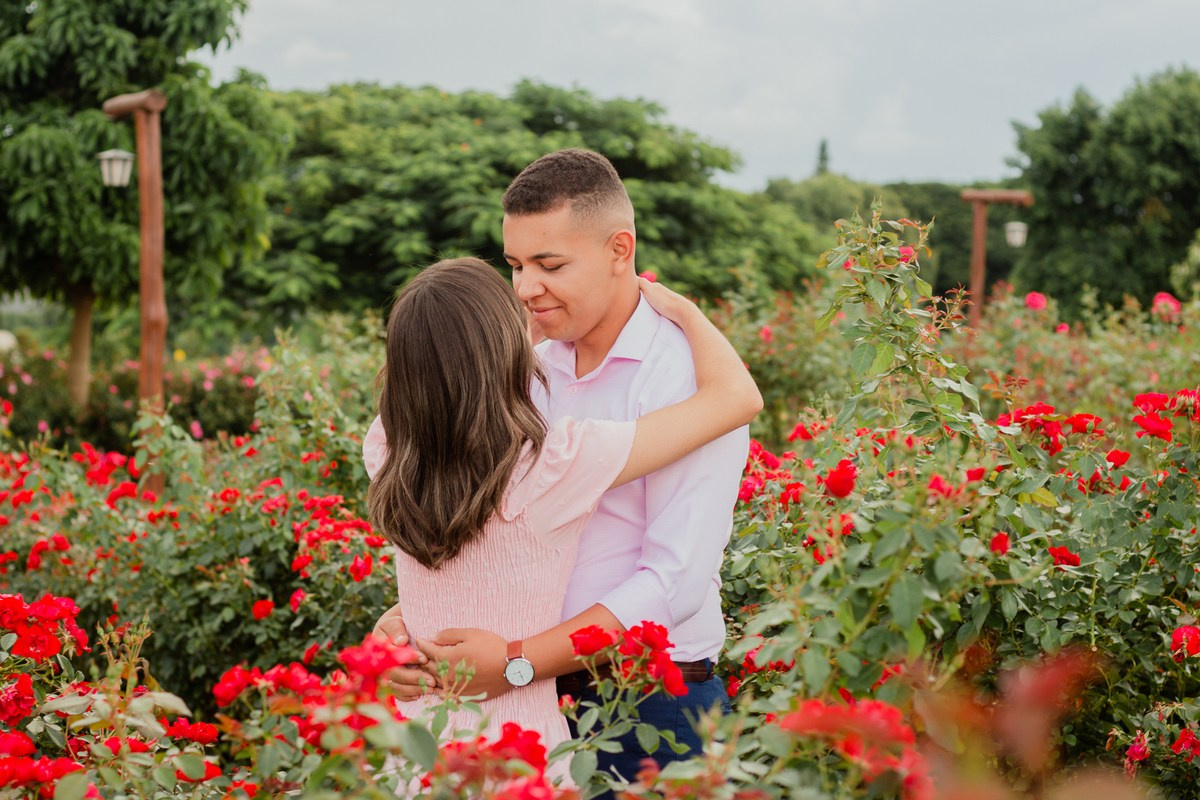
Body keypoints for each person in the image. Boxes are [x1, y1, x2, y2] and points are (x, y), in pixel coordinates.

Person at [370, 149, 752, 783]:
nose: (525, 288)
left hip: (640, 700)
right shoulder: (516, 366)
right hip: (509, 700)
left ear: (619, 250)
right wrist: (410, 623)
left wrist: (518, 662)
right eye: (516, 265)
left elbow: (674, 583)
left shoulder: (680, 378)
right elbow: (479, 522)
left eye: (550, 265)